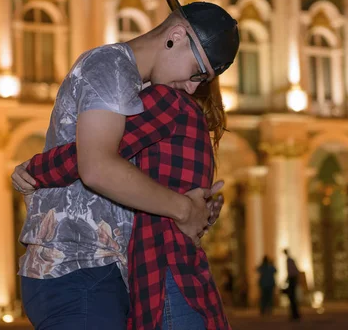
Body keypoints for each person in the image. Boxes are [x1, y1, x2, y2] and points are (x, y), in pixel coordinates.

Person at [14, 0, 239, 329]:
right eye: (197, 72)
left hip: (108, 270)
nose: (193, 87)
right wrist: (184, 209)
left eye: (202, 80)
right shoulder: (110, 65)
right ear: (176, 36)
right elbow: (97, 167)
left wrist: (198, 205)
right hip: (74, 264)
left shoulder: (142, 89)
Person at [15, 81, 231, 329]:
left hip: (162, 276)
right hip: (178, 277)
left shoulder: (165, 101)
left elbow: (93, 156)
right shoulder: (192, 119)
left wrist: (32, 170)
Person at [283, 249, 301, 321]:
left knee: (292, 297)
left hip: (292, 279)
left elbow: (291, 271)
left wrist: (287, 279)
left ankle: (295, 314)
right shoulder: (291, 260)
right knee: (292, 297)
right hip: (293, 279)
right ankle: (295, 314)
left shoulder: (289, 260)